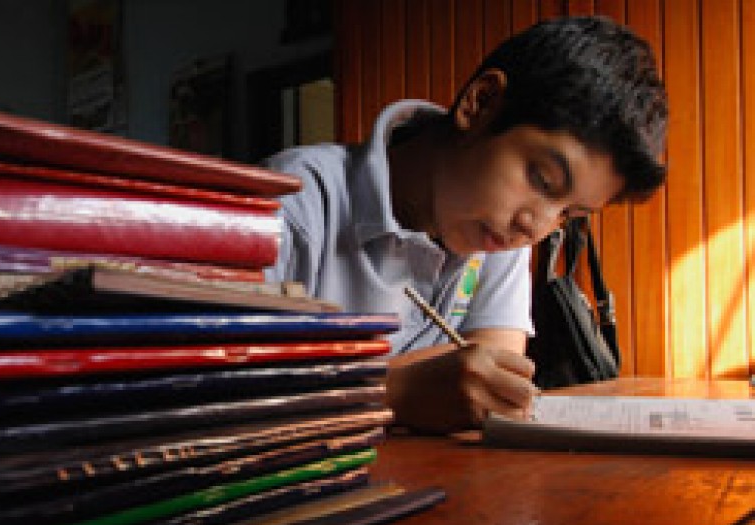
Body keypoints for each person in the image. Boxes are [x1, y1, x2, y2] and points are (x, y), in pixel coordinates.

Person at [263, 15, 668, 433]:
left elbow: (491, 382)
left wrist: (332, 382)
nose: (538, 226)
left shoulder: (496, 232)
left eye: (569, 214)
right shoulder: (292, 204)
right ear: (480, 103)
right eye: (543, 180)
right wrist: (394, 393)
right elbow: (210, 396)